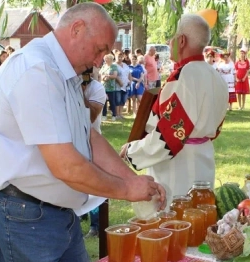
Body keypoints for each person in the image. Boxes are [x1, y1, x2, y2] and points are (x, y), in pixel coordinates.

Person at [0, 3, 166, 262]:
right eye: (100, 49)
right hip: (19, 213)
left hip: (54, 211)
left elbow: (87, 137)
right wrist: (128, 189)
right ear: (76, 29)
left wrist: (132, 180)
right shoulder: (36, 69)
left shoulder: (64, 71)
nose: (101, 61)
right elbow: (67, 167)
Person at [120, 13, 227, 224]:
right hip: (203, 157)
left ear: (182, 41)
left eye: (172, 38)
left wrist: (133, 150)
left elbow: (171, 135)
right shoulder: (215, 75)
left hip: (178, 166)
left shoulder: (185, 76)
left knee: (176, 221)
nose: (169, 43)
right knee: (200, 218)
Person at [81, 67, 107, 238]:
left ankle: (96, 225)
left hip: (92, 144)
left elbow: (89, 116)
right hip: (71, 144)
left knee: (95, 186)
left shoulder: (97, 88)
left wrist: (80, 92)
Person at [99, 53, 118, 121]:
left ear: (110, 59)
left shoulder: (114, 66)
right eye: (105, 59)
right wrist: (103, 78)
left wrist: (108, 76)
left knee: (112, 101)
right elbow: (100, 75)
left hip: (111, 87)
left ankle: (114, 115)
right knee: (104, 101)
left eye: (107, 59)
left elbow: (115, 76)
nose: (106, 60)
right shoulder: (104, 66)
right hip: (104, 86)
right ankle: (104, 115)